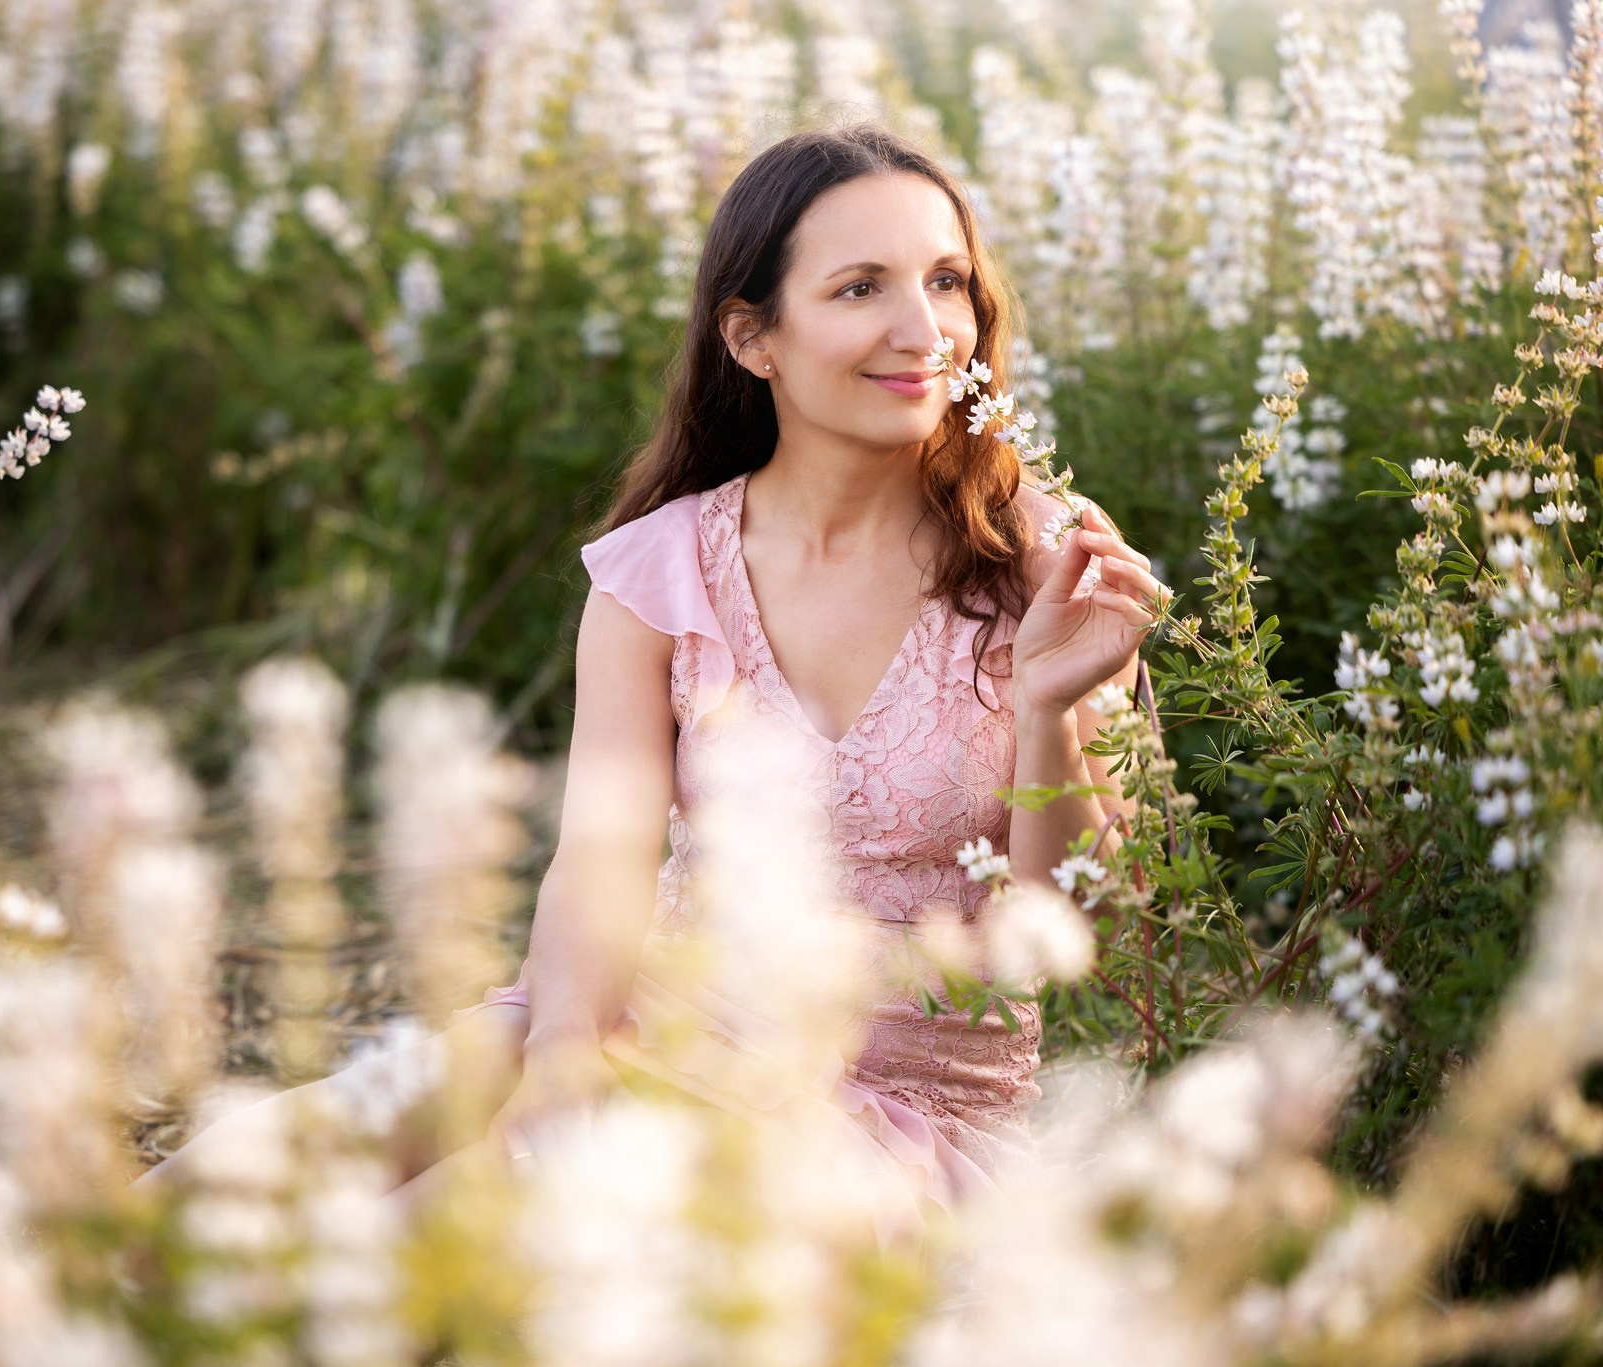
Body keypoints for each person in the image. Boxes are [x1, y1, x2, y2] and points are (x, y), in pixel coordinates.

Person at [142, 121, 1162, 1216]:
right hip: (639, 1019)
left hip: (877, 1124)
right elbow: (599, 859)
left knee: (429, 1240)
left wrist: (1051, 707)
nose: (925, 329)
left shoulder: (1042, 564)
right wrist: (559, 1062)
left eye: (946, 280)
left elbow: (1086, 927)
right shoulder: (662, 567)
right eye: (859, 288)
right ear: (751, 337)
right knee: (224, 1189)